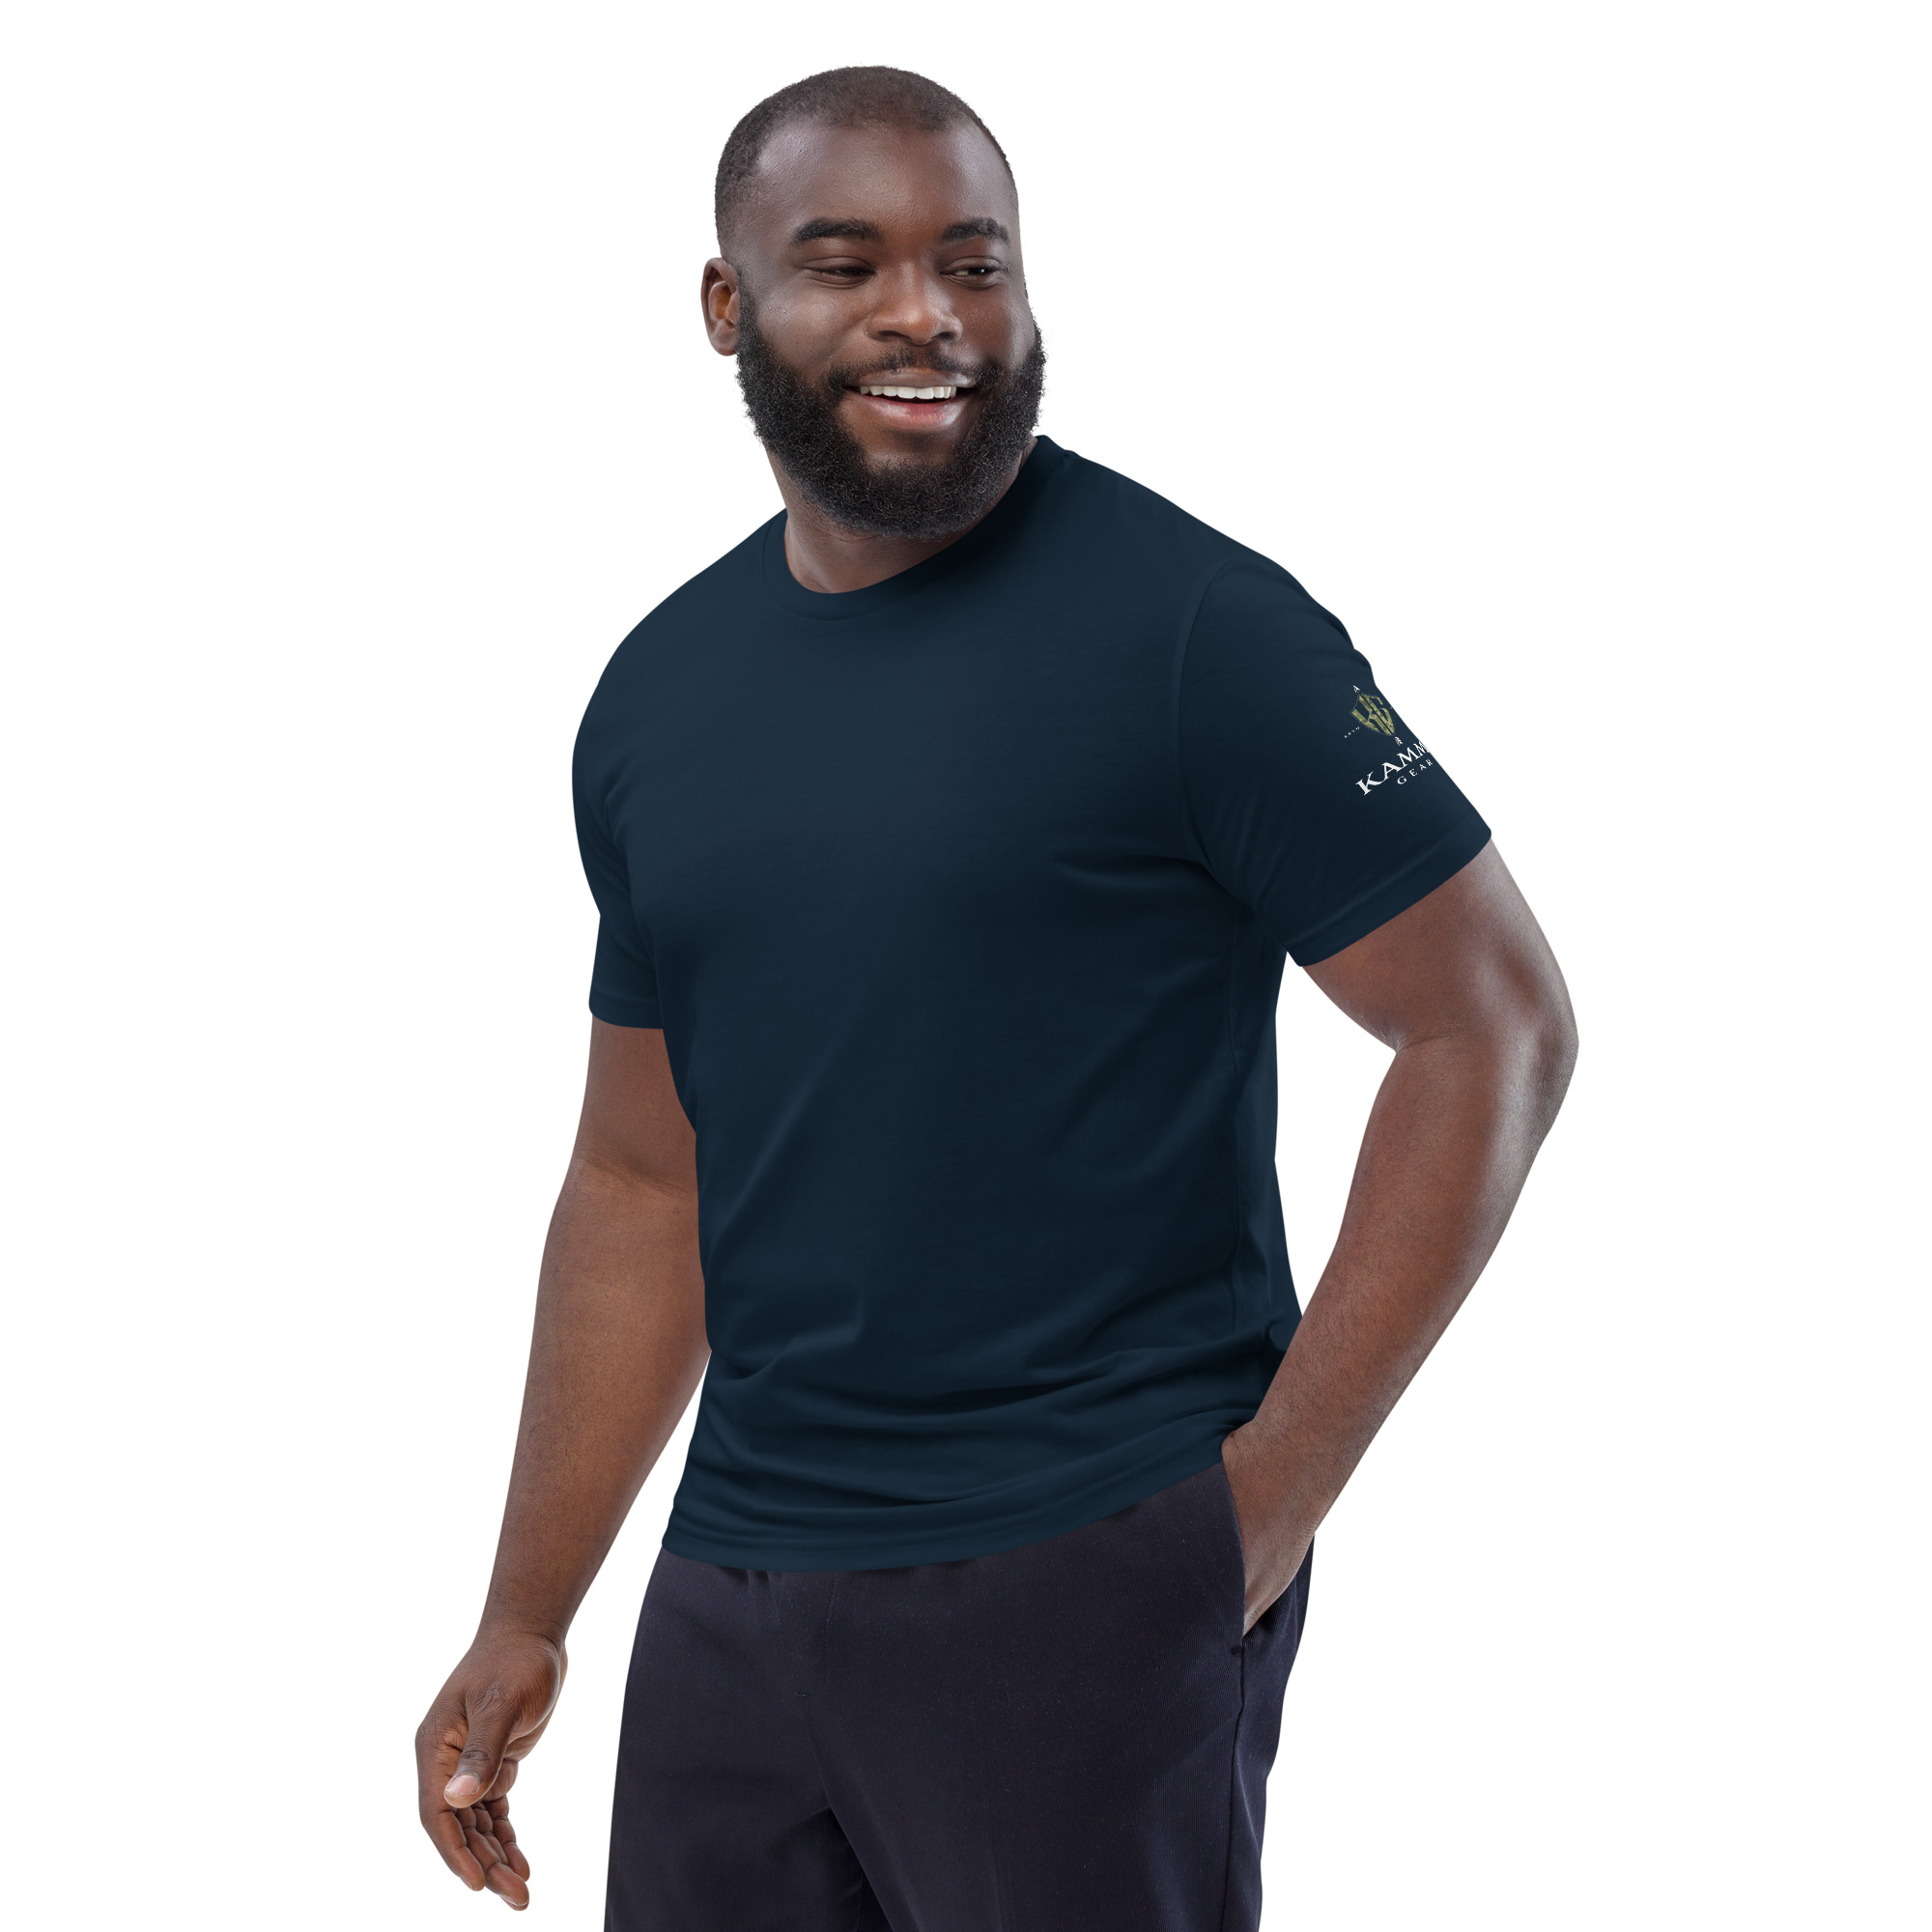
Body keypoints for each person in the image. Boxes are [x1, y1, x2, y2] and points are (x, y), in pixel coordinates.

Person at [414, 65, 1577, 1930]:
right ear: (726, 305)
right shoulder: (657, 697)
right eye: (847, 264)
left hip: (1084, 1564)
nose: (927, 314)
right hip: (734, 1590)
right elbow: (644, 1179)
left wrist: (1260, 1512)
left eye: (975, 261)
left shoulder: (1200, 631)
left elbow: (1493, 1024)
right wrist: (528, 1604)